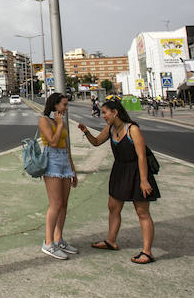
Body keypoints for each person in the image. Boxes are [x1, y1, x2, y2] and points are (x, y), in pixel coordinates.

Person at [78, 99, 160, 264]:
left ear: (115, 112)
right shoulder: (110, 128)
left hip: (137, 171)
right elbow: (96, 142)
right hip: (119, 171)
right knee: (113, 208)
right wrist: (86, 132)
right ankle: (111, 241)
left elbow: (141, 156)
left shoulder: (132, 129)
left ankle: (147, 252)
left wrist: (144, 180)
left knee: (142, 212)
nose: (103, 116)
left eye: (105, 113)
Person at [37, 92, 79, 260]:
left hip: (64, 160)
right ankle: (48, 243)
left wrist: (73, 170)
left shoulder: (60, 122)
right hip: (52, 160)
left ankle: (58, 239)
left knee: (64, 204)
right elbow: (53, 142)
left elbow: (65, 146)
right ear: (55, 105)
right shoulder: (44, 121)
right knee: (55, 203)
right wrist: (60, 124)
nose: (66, 108)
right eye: (64, 105)